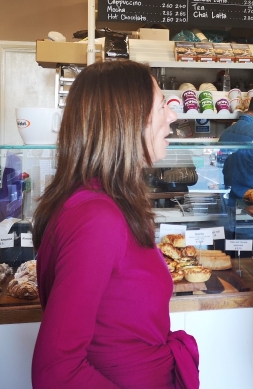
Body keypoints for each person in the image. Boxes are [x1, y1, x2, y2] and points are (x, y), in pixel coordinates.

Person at [31, 61, 199, 389]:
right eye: (161, 105)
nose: (173, 116)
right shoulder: (97, 219)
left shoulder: (106, 203)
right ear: (127, 120)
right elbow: (56, 371)